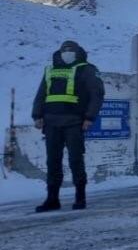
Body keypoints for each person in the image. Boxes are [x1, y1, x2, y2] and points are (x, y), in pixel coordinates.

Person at [32, 40, 104, 212]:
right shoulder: (50, 70)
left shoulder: (87, 69)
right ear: (59, 52)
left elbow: (97, 94)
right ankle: (52, 199)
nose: (67, 52)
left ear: (77, 52)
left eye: (71, 50)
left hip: (74, 122)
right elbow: (41, 93)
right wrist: (37, 115)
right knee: (52, 161)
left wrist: (89, 118)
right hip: (51, 122)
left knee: (75, 160)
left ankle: (80, 197)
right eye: (64, 50)